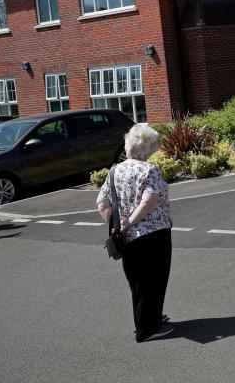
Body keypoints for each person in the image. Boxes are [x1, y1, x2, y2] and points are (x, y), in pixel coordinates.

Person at [96, 123, 174, 342]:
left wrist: (117, 224)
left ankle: (148, 319)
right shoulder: (150, 170)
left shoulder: (115, 170)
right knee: (154, 281)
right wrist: (129, 222)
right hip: (153, 234)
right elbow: (149, 202)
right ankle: (148, 329)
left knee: (138, 283)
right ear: (147, 149)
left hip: (126, 239)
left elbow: (102, 202)